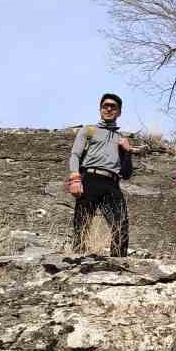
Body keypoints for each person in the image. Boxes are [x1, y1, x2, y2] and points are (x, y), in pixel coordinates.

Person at [67, 93, 140, 256]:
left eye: (113, 107)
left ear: (119, 112)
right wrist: (75, 178)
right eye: (105, 106)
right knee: (82, 223)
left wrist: (128, 152)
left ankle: (119, 264)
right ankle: (78, 261)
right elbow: (75, 155)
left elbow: (127, 174)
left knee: (121, 224)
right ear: (100, 109)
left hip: (112, 183)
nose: (108, 109)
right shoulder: (89, 130)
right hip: (90, 179)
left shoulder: (121, 138)